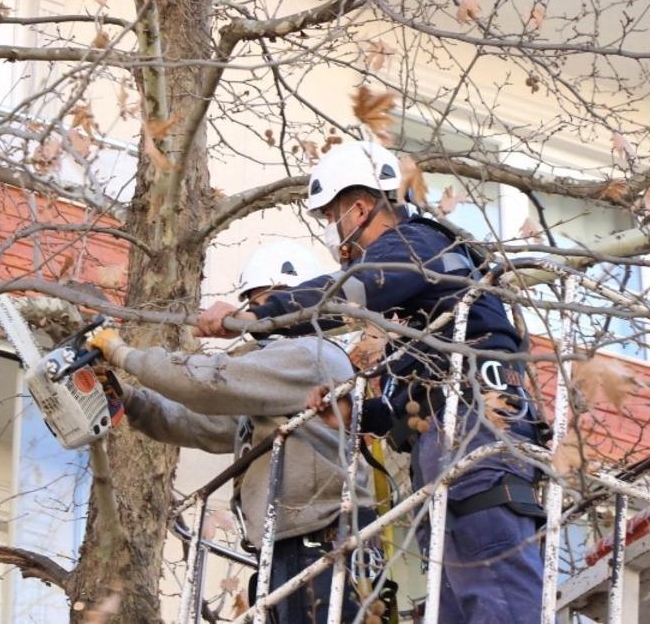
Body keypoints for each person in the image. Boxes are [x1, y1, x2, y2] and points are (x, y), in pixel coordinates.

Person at [195, 141, 546, 623]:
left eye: (331, 217)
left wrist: (252, 316)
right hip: (446, 442)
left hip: (479, 430)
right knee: (458, 602)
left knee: (497, 595)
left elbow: (344, 295)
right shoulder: (415, 314)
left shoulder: (418, 245)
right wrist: (359, 413)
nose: (333, 235)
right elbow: (414, 401)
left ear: (359, 208)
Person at [87, 241, 389, 624]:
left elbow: (210, 382)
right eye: (254, 304)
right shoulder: (272, 387)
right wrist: (128, 397)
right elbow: (199, 423)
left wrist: (123, 353)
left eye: (264, 304)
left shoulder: (311, 354)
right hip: (288, 546)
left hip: (323, 540)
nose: (258, 319)